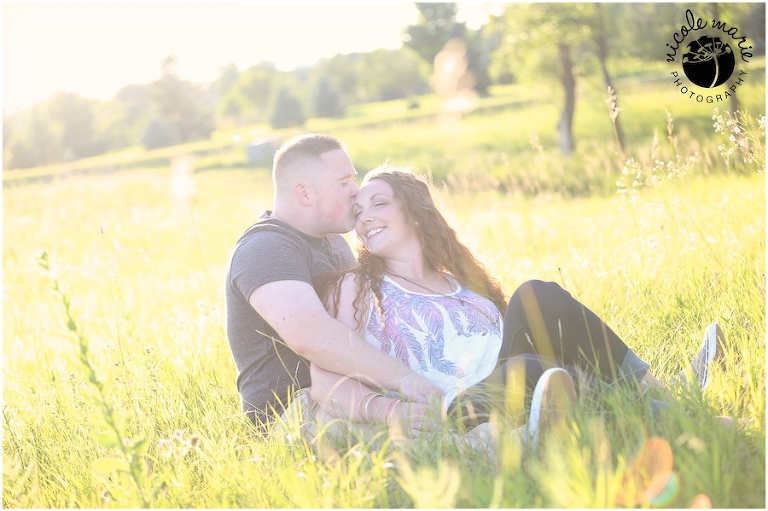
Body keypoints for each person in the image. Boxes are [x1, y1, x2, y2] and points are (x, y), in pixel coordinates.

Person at [306, 166, 724, 442]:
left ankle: (665, 397)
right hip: (462, 406)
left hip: (521, 376)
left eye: (379, 203)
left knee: (536, 297)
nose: (364, 217)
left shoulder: (461, 283)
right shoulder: (357, 287)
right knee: (530, 369)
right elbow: (324, 377)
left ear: (414, 212)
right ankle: (689, 421)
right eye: (358, 212)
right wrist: (387, 412)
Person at [225, 134, 443, 427]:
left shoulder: (333, 241)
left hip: (350, 394)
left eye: (354, 180)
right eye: (344, 182)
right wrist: (406, 380)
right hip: (294, 411)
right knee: (435, 439)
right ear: (304, 194)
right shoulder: (265, 248)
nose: (355, 192)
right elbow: (311, 336)